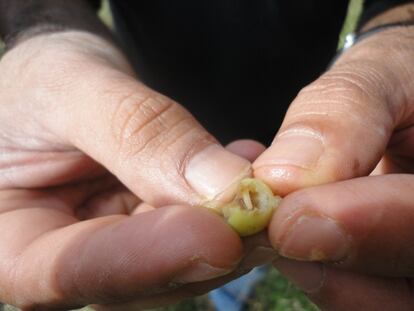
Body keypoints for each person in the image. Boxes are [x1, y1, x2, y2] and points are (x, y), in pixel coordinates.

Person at [0, 0, 414, 310]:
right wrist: (49, 34)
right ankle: (232, 286)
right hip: (137, 143)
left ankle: (241, 276)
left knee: (273, 237)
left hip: (311, 122)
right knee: (221, 252)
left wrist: (397, 30)